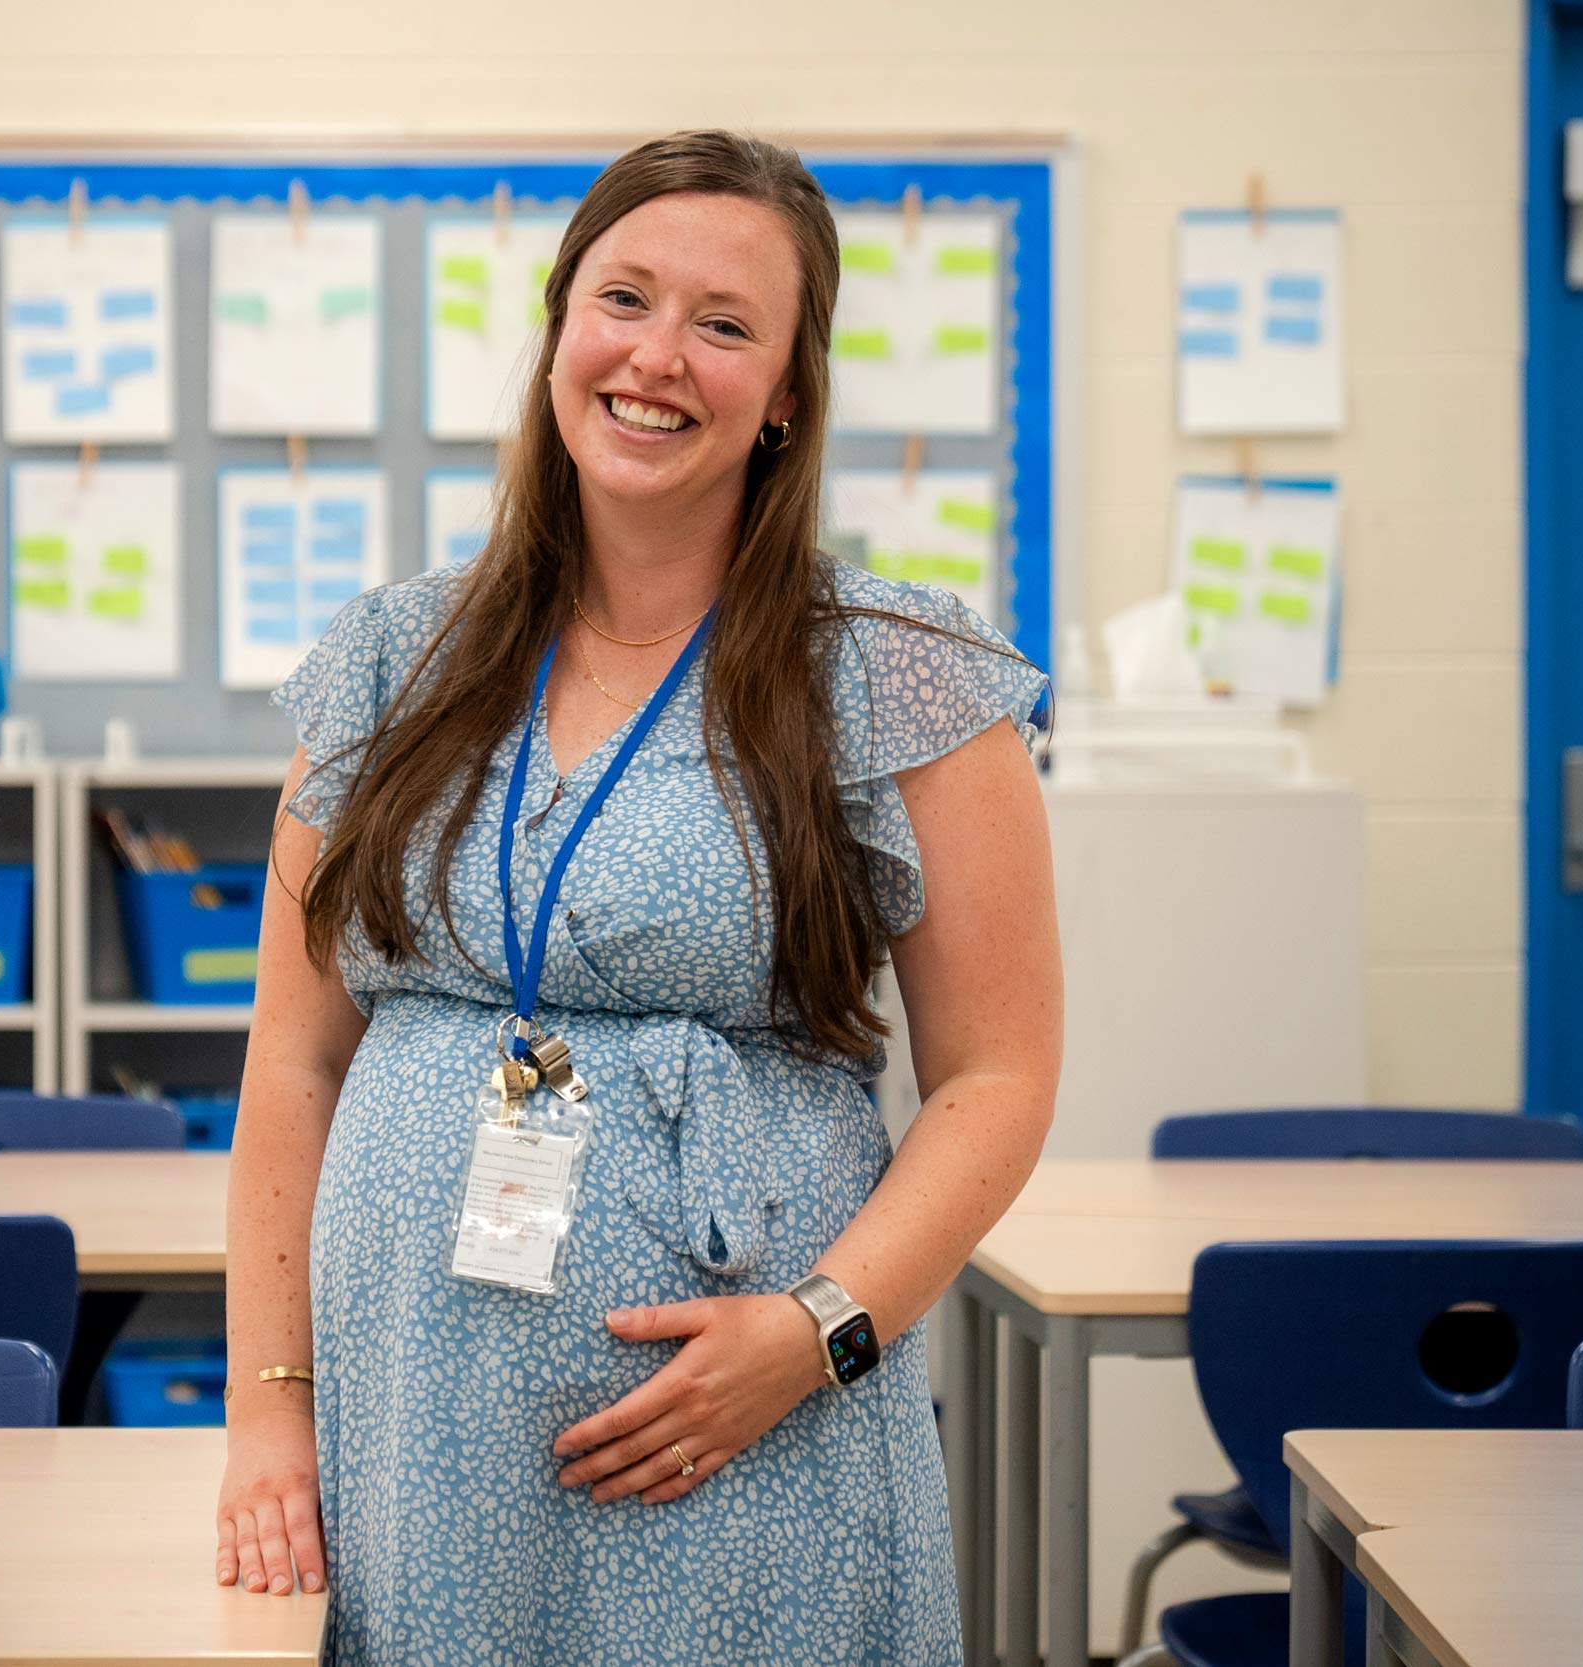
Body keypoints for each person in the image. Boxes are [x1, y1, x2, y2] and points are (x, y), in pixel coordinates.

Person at [216, 128, 1062, 1666]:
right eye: (624, 298)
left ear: (790, 390)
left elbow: (1000, 1075)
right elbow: (295, 1059)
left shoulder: (897, 668)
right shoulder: (387, 663)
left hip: (751, 1437)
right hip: (419, 1439)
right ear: (559, 330)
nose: (659, 356)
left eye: (727, 324)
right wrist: (268, 1415)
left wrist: (814, 1337)